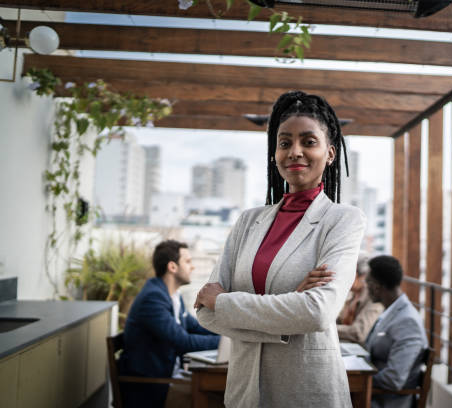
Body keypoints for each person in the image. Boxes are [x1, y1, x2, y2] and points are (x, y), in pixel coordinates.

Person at [194, 90, 366, 408]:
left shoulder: (343, 220)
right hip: (245, 393)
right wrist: (287, 314)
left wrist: (225, 301)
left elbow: (317, 312)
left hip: (306, 391)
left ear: (330, 153)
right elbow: (205, 313)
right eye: (285, 142)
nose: (294, 152)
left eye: (308, 142)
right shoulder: (248, 222)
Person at [119, 240, 219, 408]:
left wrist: (226, 334)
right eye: (187, 262)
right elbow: (183, 342)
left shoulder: (172, 296)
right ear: (172, 267)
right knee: (216, 399)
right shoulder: (153, 299)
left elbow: (195, 327)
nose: (192, 267)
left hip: (168, 376)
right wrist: (224, 344)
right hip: (151, 387)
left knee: (220, 393)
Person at [365, 255, 428, 408]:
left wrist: (356, 380)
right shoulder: (393, 312)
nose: (365, 287)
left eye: (368, 282)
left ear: (377, 286)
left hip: (385, 402)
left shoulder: (407, 321)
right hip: (373, 395)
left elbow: (394, 379)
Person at [337, 254, 384, 345]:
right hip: (345, 344)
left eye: (347, 273)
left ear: (362, 276)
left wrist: (329, 329)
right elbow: (339, 321)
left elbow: (358, 333)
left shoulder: (373, 298)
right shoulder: (352, 295)